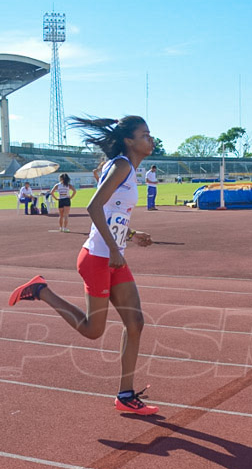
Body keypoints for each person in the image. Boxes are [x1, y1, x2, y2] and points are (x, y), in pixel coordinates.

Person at [8, 115, 158, 416]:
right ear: (129, 140)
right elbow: (93, 206)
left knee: (136, 323)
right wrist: (115, 248)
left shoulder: (127, 169)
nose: (150, 139)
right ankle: (41, 291)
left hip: (113, 255)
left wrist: (130, 234)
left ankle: (125, 395)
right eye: (144, 134)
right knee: (93, 331)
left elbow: (113, 214)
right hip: (98, 257)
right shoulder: (121, 166)